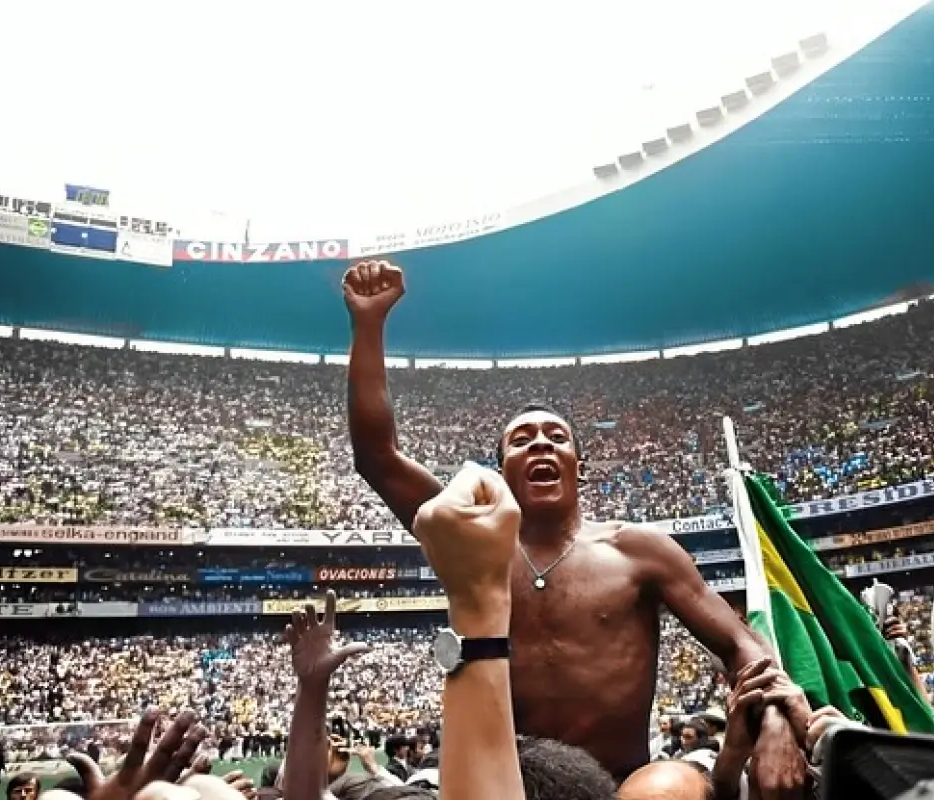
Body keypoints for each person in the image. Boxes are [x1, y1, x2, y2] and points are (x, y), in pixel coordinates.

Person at [344, 260, 808, 791]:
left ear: (579, 467)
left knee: (668, 787)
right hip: (503, 782)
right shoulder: (472, 536)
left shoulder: (639, 550)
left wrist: (775, 722)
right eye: (522, 439)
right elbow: (377, 458)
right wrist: (369, 324)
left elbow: (741, 644)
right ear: (502, 472)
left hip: (623, 783)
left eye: (556, 436)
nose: (540, 442)